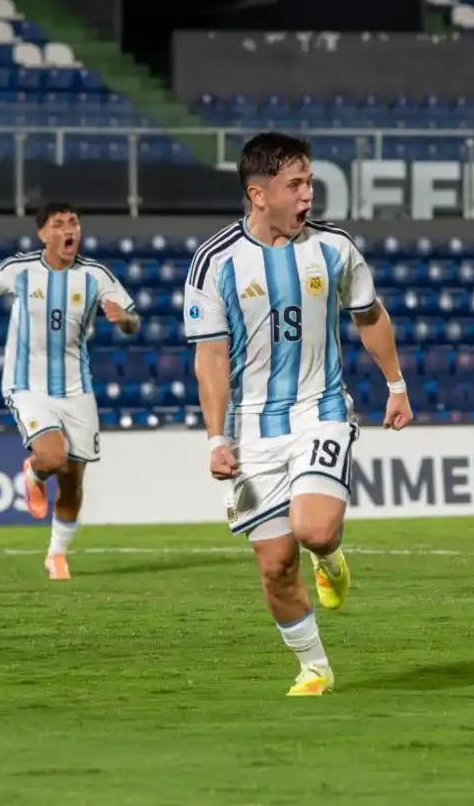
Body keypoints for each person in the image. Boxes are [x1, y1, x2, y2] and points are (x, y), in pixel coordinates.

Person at [183, 132, 412, 697]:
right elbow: (209, 357)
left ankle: (330, 557)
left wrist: (396, 385)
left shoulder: (334, 247)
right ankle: (314, 666)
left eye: (309, 181)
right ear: (259, 194)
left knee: (313, 529)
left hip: (321, 409)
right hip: (251, 429)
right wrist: (216, 438)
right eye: (296, 184)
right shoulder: (215, 263)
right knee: (274, 566)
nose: (308, 193)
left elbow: (370, 315)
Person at [0, 202, 140, 580]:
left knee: (73, 482)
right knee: (52, 457)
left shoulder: (96, 275)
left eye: (73, 222)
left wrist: (124, 319)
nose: (68, 229)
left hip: (77, 389)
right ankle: (33, 473)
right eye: (58, 224)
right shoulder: (20, 269)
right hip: (28, 385)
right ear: (43, 234)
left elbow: (133, 322)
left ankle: (56, 554)